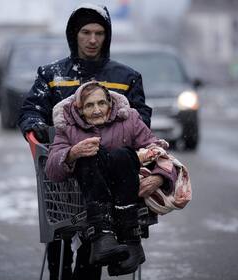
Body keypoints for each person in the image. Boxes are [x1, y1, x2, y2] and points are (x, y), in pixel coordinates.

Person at [17, 3, 154, 280]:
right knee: (59, 242)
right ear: (73, 35)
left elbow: (140, 119)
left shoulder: (126, 78)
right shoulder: (52, 75)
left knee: (95, 244)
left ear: (108, 36)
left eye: (99, 33)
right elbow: (31, 109)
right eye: (85, 32)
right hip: (64, 182)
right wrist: (36, 127)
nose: (93, 40)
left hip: (108, 177)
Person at [45, 81, 178, 276]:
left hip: (124, 199)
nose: (97, 110)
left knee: (123, 155)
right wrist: (73, 153)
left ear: (110, 103)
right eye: (89, 105)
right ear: (79, 110)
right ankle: (104, 235)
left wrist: (159, 177)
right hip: (82, 205)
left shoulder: (129, 119)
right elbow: (51, 170)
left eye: (101, 103)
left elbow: (157, 150)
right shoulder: (68, 127)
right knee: (88, 157)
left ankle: (130, 239)